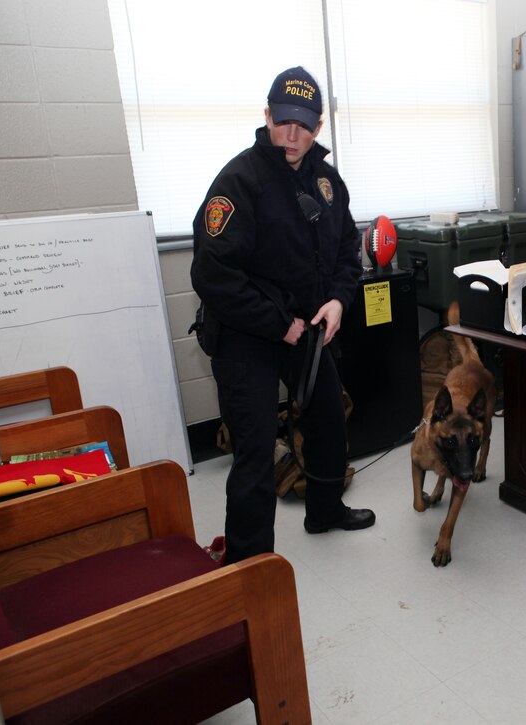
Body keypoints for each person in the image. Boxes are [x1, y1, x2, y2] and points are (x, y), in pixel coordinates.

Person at [190, 66, 375, 563]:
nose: (293, 136)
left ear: (318, 127)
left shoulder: (327, 182)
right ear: (267, 115)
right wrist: (278, 324)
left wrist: (338, 299)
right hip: (247, 333)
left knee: (330, 422)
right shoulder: (238, 181)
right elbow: (213, 276)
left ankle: (325, 510)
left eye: (305, 125)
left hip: (308, 328)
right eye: (285, 121)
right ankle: (250, 565)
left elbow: (344, 252)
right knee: (253, 450)